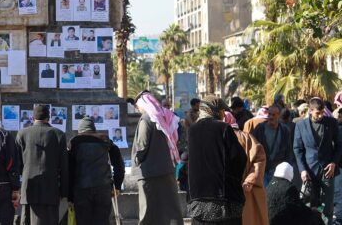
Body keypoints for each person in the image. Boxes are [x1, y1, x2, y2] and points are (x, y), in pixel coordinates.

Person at [187, 96, 247, 225]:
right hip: (224, 199)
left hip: (198, 198)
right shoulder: (224, 128)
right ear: (214, 111)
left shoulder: (192, 130)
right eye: (222, 111)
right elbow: (238, 158)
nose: (223, 114)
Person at [132, 91, 184, 225]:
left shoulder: (146, 119)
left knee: (149, 212)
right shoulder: (166, 117)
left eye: (138, 106)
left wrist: (137, 161)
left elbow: (142, 146)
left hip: (149, 173)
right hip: (167, 169)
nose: (138, 110)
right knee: (170, 210)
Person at [15, 105, 68, 225]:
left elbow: (17, 165)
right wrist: (64, 191)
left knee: (28, 220)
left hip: (29, 187)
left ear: (33, 118)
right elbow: (64, 165)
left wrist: (15, 186)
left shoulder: (22, 134)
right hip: (51, 188)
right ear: (48, 117)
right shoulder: (58, 134)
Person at [294, 97, 342, 223]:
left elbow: (339, 145)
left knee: (328, 206)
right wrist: (303, 170)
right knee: (309, 204)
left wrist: (334, 163)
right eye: (317, 113)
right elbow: (298, 149)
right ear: (310, 111)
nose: (320, 115)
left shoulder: (331, 123)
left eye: (322, 112)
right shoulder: (300, 125)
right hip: (309, 172)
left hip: (328, 171)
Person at [68, 117, 124, 224]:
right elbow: (119, 165)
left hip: (81, 190)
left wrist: (70, 196)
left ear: (80, 130)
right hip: (103, 189)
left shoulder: (74, 142)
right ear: (93, 129)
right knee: (102, 221)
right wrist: (117, 185)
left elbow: (70, 170)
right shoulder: (105, 140)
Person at [224, 112, 268, 225]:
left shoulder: (219, 139)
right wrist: (251, 179)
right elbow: (259, 159)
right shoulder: (246, 137)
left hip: (230, 190)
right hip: (245, 188)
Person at [252, 106, 294, 187]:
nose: (271, 117)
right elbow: (253, 147)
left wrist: (287, 167)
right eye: (269, 114)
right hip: (262, 168)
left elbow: (288, 151)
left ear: (279, 115)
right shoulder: (260, 129)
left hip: (277, 170)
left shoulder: (284, 130)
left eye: (273, 115)